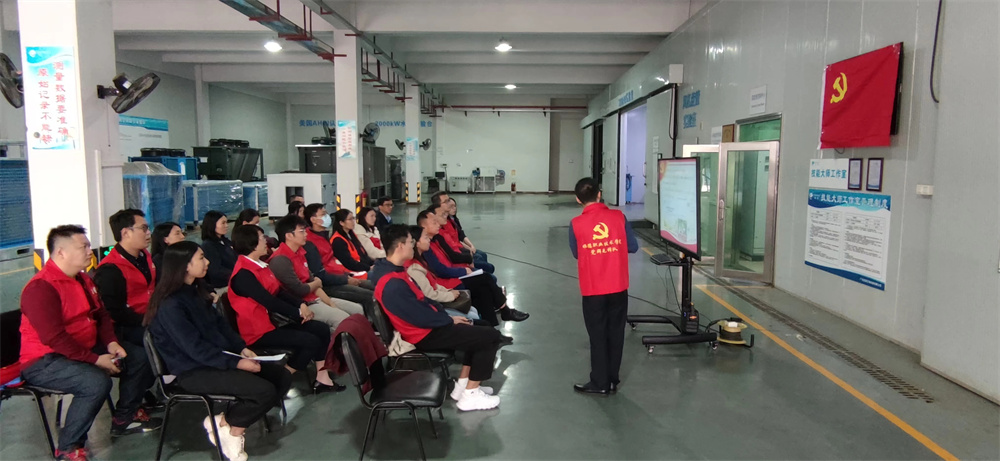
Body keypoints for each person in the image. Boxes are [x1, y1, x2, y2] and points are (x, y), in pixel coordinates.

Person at [20, 226, 161, 461]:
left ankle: (124, 418)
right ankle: (69, 447)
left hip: (82, 349)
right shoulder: (41, 288)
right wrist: (95, 360)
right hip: (44, 360)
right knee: (94, 382)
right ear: (61, 252)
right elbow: (54, 338)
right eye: (83, 247)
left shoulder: (83, 279)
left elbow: (101, 315)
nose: (89, 251)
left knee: (139, 356)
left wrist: (111, 343)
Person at [145, 241, 291, 461]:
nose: (207, 262)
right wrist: (236, 363)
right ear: (185, 265)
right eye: (201, 258)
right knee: (263, 391)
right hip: (191, 371)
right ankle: (233, 433)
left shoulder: (196, 292)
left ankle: (224, 423)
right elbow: (194, 348)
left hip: (215, 360)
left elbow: (221, 326)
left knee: (281, 377)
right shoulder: (170, 305)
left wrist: (241, 349)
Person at [370, 225, 502, 411]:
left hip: (429, 326)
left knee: (479, 331)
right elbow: (418, 316)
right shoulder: (392, 283)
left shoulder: (395, 271)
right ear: (400, 246)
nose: (413, 245)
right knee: (490, 337)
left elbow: (423, 302)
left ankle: (464, 385)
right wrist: (448, 320)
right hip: (423, 335)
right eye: (410, 242)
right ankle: (471, 395)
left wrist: (447, 317)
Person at [227, 225, 342, 393]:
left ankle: (322, 378)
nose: (266, 241)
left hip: (274, 323)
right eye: (262, 238)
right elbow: (269, 301)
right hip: (258, 332)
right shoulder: (243, 274)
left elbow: (278, 291)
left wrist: (300, 304)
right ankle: (280, 378)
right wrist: (298, 312)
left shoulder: (261, 265)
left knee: (321, 329)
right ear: (251, 243)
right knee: (310, 341)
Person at [569, 177, 638, 395]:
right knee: (616, 333)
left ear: (578, 199)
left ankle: (600, 383)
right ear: (600, 194)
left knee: (597, 335)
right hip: (618, 286)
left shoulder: (576, 224)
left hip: (593, 289)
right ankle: (612, 380)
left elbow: (576, 253)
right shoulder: (619, 217)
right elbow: (633, 246)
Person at [418, 210, 528, 324]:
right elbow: (440, 270)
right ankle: (505, 311)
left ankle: (491, 326)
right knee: (485, 278)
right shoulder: (426, 247)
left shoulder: (436, 239)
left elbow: (452, 255)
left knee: (483, 289)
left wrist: (466, 263)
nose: (438, 224)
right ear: (423, 227)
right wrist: (462, 271)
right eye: (434, 222)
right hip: (447, 282)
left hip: (453, 275)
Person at [268, 215, 365, 331]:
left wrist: (330, 303)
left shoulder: (300, 252)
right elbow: (300, 289)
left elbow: (313, 281)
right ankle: (338, 342)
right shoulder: (281, 259)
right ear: (289, 235)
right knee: (342, 318)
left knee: (357, 309)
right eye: (302, 231)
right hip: (303, 304)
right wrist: (316, 283)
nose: (306, 234)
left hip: (315, 297)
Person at [94, 209, 156, 347]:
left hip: (151, 317)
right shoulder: (110, 269)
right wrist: (149, 320)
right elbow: (115, 312)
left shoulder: (145, 256)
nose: (148, 233)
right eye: (143, 228)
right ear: (126, 233)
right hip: (129, 326)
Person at [301, 203, 377, 314]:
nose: (327, 216)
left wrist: (346, 276)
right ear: (313, 220)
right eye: (323, 214)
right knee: (370, 296)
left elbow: (335, 263)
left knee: (376, 287)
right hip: (330, 284)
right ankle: (371, 324)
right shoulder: (310, 242)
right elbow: (320, 274)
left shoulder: (323, 236)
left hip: (341, 275)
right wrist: (345, 279)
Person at [405, 225, 482, 322]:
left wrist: (449, 291)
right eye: (425, 237)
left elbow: (433, 284)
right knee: (473, 315)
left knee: (473, 310)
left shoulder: (421, 260)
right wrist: (450, 295)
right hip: (433, 307)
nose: (429, 239)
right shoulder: (414, 268)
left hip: (438, 297)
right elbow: (430, 295)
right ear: (417, 243)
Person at [329, 209, 375, 274]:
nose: (353, 221)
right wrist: (368, 268)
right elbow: (349, 263)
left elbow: (362, 254)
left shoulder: (351, 235)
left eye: (353, 218)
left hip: (362, 268)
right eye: (350, 219)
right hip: (351, 272)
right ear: (341, 223)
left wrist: (373, 264)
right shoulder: (338, 241)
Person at [200, 210, 237, 289]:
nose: (226, 225)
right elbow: (216, 270)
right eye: (223, 223)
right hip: (223, 285)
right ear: (212, 224)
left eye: (226, 222)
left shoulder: (225, 241)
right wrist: (237, 275)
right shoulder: (208, 246)